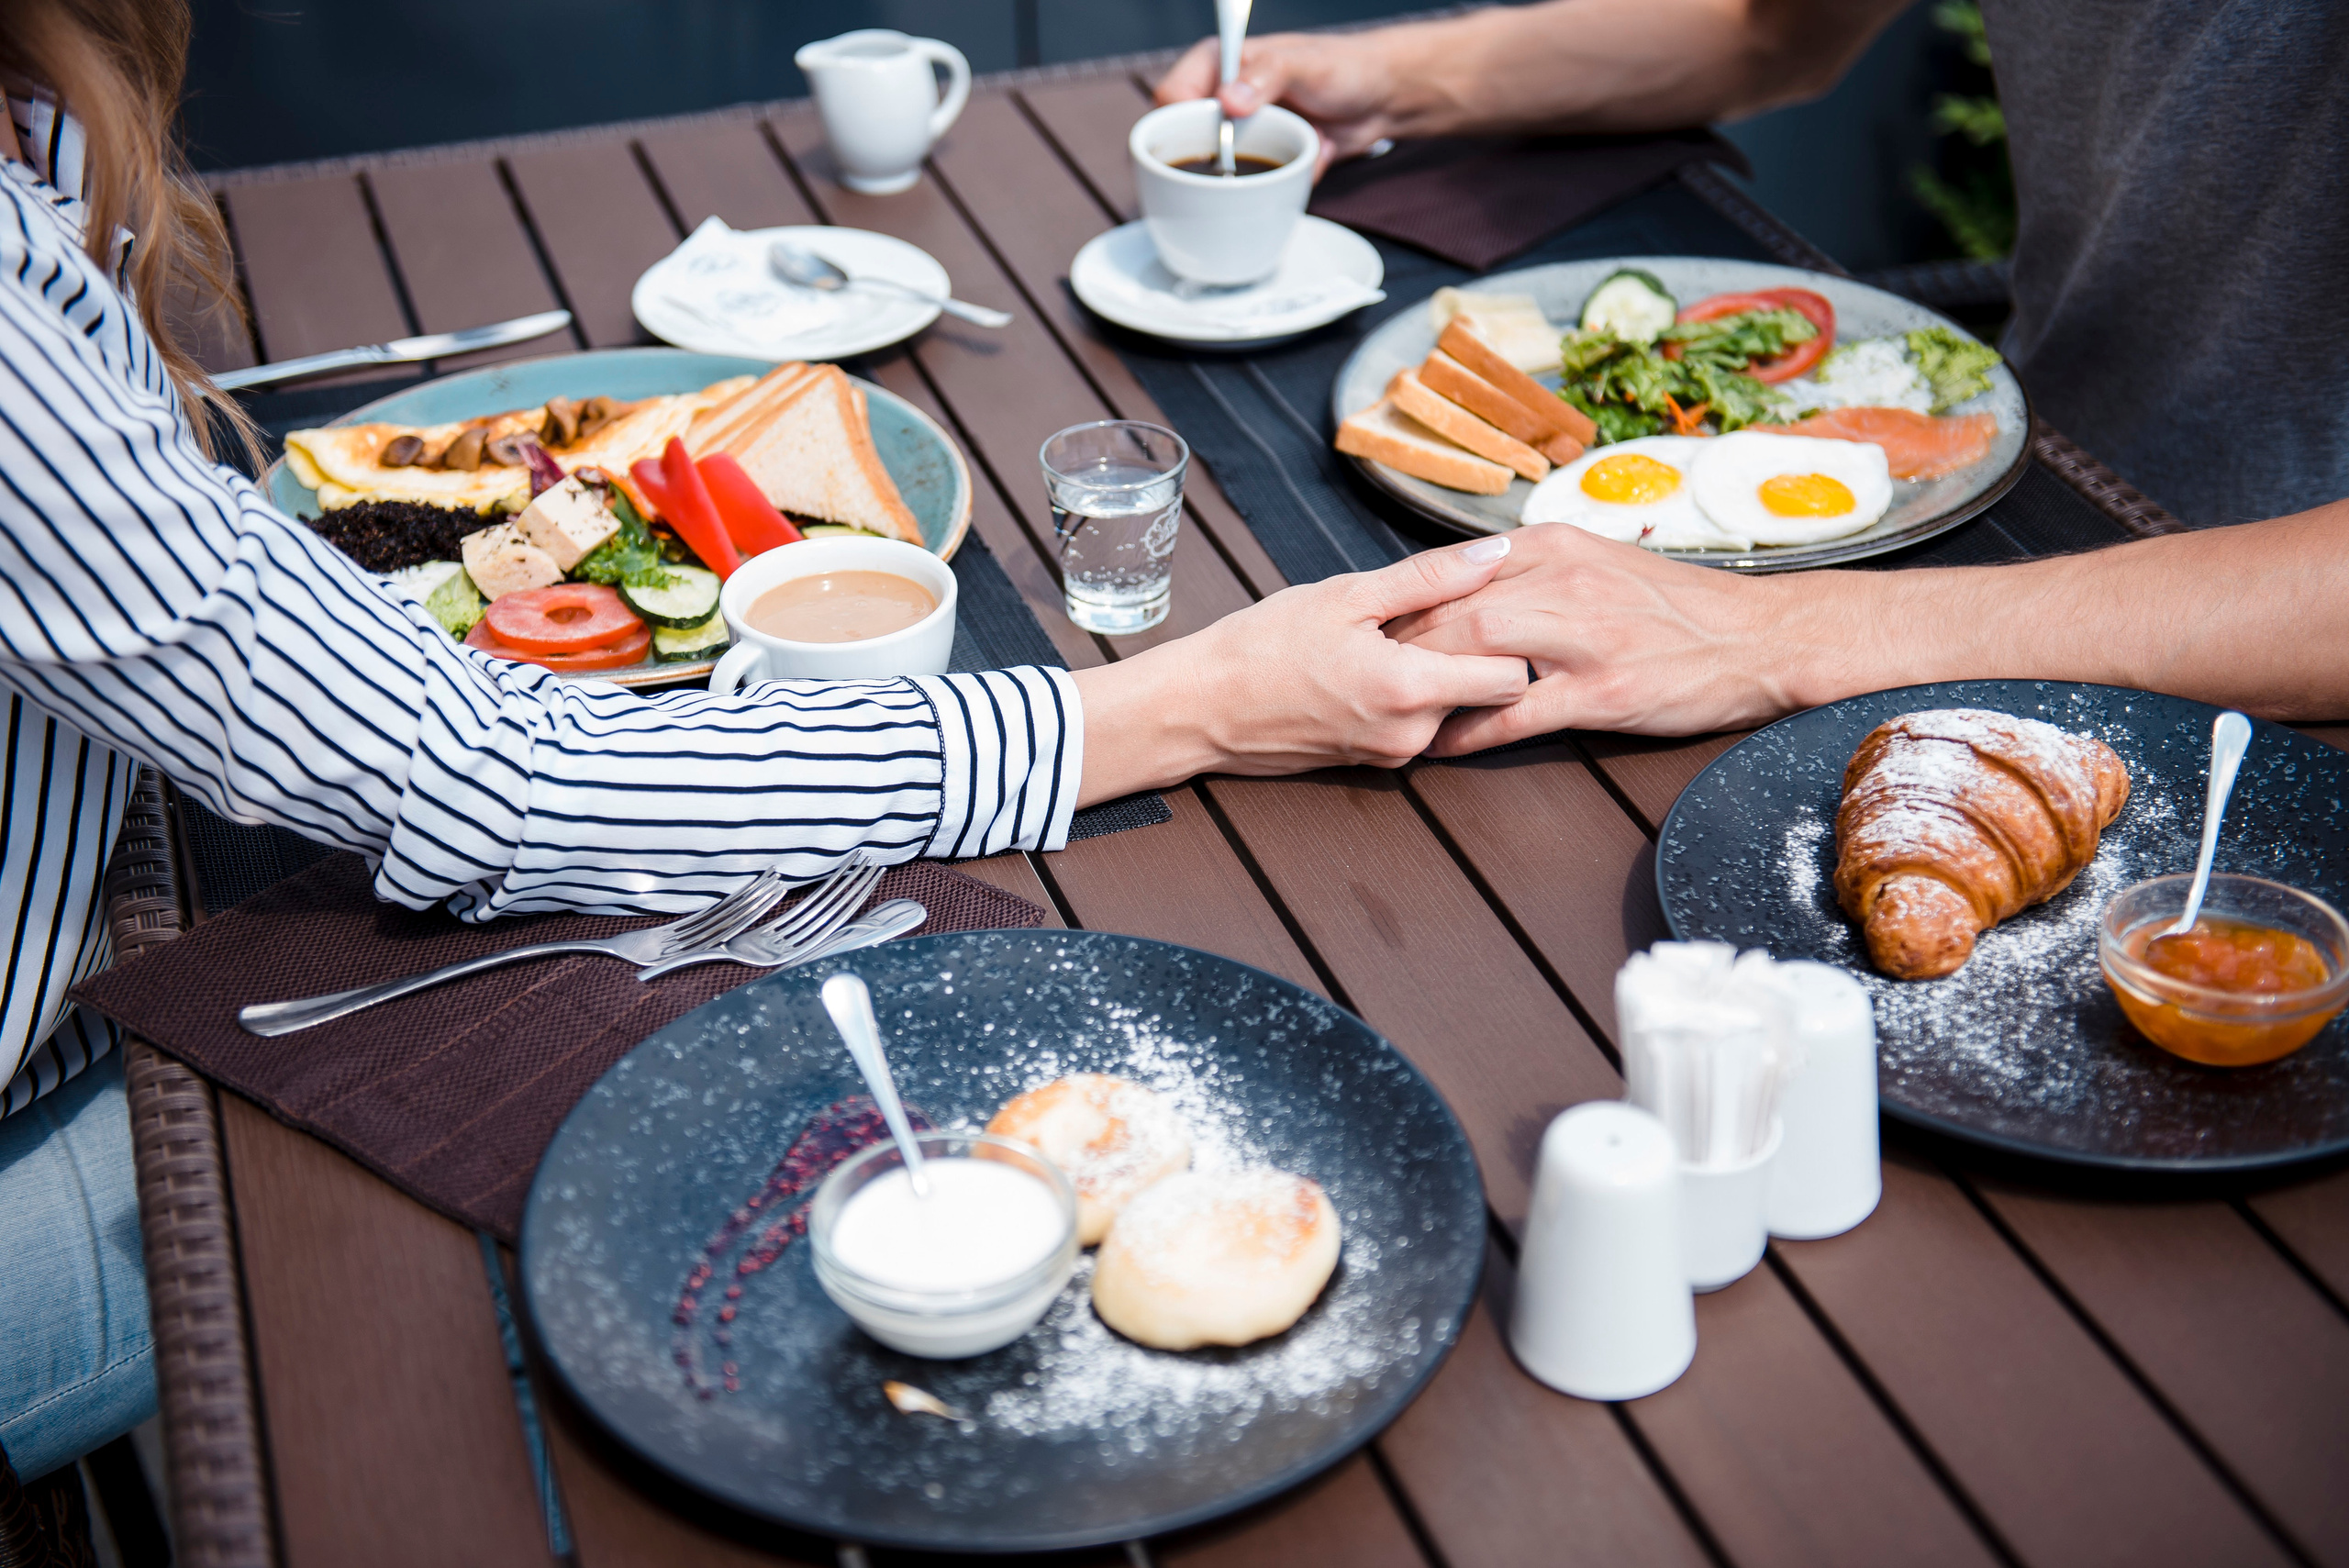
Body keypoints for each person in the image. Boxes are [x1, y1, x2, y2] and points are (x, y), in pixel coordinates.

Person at [0, 1, 1529, 1485]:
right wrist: (1192, 703)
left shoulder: (45, 101)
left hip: (111, 925)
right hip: (48, 1098)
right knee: (626, 1234)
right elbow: (504, 778)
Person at [1157, 1, 2349, 745]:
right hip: (2008, 501)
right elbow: (1770, 29)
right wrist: (1392, 79)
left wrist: (1775, 632)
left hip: (2266, 658)